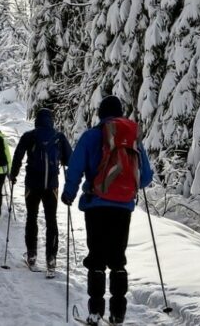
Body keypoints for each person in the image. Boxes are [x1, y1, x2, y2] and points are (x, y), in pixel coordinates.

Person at [61, 96, 154, 326]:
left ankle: (95, 313)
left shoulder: (92, 136)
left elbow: (75, 167)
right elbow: (146, 178)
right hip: (123, 207)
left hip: (96, 205)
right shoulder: (132, 138)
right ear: (121, 113)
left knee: (97, 259)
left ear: (101, 114)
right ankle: (118, 314)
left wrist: (69, 193)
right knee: (117, 259)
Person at [9, 108, 71, 275]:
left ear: (37, 120)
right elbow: (69, 159)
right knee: (51, 220)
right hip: (51, 186)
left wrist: (13, 174)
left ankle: (32, 254)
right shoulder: (59, 137)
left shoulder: (30, 136)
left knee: (31, 218)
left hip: (32, 184)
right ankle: (51, 258)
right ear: (51, 120)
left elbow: (18, 155)